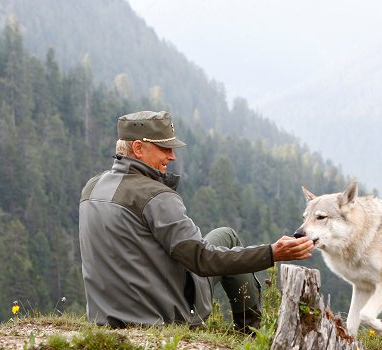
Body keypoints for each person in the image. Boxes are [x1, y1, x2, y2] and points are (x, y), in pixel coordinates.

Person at [79, 110, 314, 332]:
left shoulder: (92, 187)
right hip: (162, 318)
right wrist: (272, 253)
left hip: (104, 319)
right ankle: (250, 335)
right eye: (164, 148)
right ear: (138, 148)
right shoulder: (156, 196)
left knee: (218, 239)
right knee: (228, 237)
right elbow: (202, 260)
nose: (172, 156)